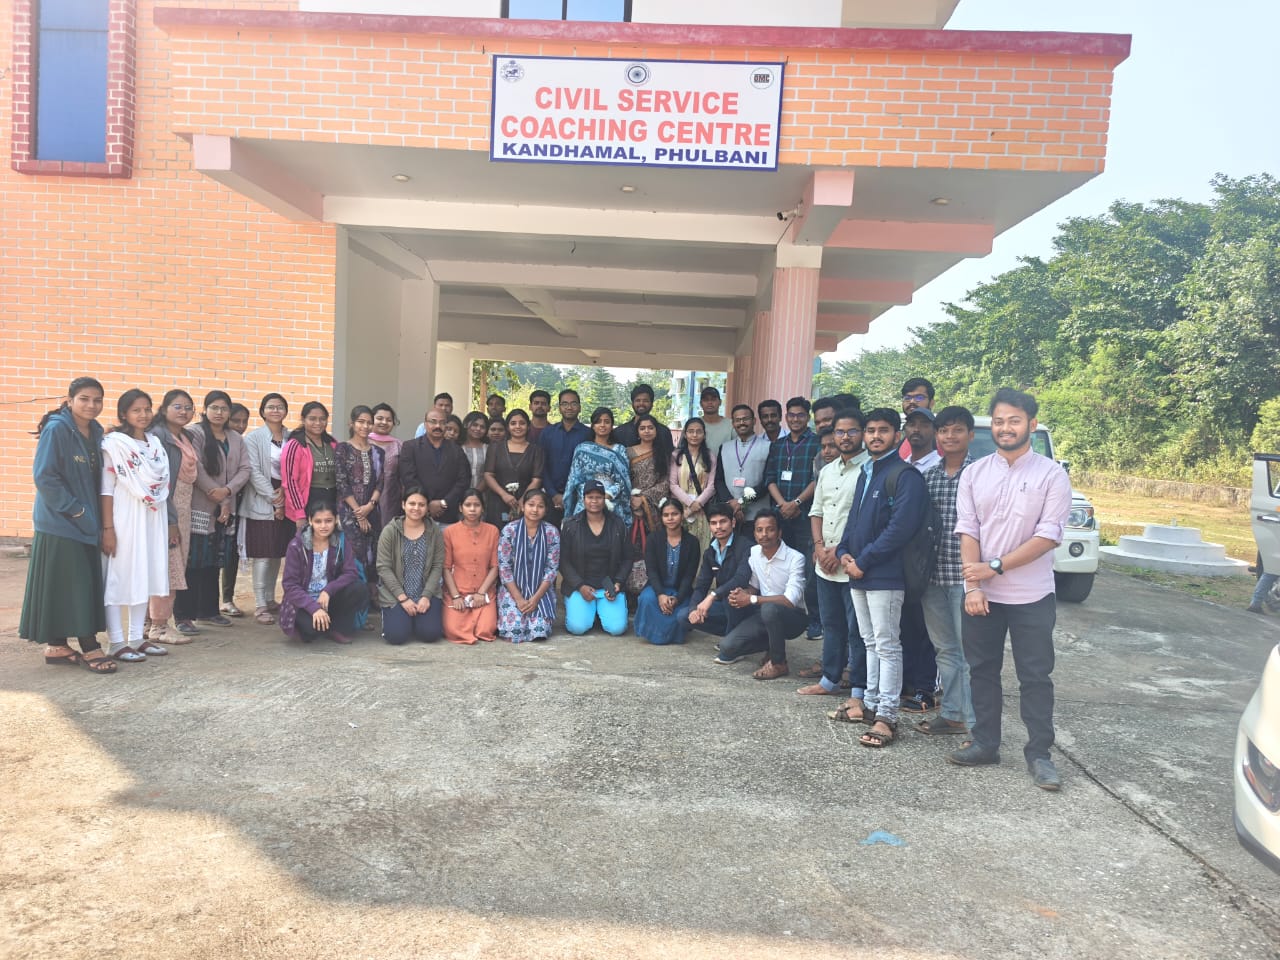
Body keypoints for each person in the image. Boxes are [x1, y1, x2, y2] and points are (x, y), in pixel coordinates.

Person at [949, 389, 1071, 791]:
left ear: (1031, 425)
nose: (1006, 428)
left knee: (1035, 676)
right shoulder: (975, 473)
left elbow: (1048, 536)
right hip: (982, 595)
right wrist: (974, 585)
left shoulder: (1052, 475)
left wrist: (996, 566)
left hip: (1032, 596)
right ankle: (986, 743)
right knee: (982, 671)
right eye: (999, 421)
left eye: (1014, 421)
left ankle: (1040, 754)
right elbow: (968, 529)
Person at [835, 407, 926, 749]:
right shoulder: (867, 472)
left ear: (897, 435)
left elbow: (900, 528)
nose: (875, 436)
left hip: (885, 575)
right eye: (870, 430)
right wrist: (844, 551)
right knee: (870, 641)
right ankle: (871, 703)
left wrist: (864, 560)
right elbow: (854, 520)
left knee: (887, 645)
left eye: (883, 430)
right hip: (858, 571)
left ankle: (887, 716)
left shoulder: (904, 476)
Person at [20, 377, 115, 674]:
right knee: (77, 584)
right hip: (60, 522)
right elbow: (45, 477)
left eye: (97, 400)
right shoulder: (57, 429)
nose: (91, 405)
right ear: (70, 400)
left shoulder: (95, 430)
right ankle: (90, 645)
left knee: (64, 585)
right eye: (84, 399)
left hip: (87, 521)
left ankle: (57, 645)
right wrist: (76, 511)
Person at [798, 410, 871, 704]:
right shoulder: (827, 470)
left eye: (852, 431)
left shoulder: (869, 469)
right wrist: (818, 548)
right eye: (840, 432)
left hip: (852, 562)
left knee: (858, 630)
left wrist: (838, 550)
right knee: (831, 625)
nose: (845, 437)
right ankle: (829, 679)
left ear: (862, 433)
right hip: (824, 564)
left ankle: (859, 689)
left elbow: (866, 520)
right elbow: (816, 511)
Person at [915, 405, 977, 736]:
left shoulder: (981, 476)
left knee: (971, 653)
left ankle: (976, 724)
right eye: (944, 430)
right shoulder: (929, 477)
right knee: (946, 649)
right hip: (933, 577)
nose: (949, 436)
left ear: (970, 435)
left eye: (957, 430)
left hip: (968, 579)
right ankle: (953, 714)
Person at [100, 389, 171, 661]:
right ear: (124, 414)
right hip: (125, 516)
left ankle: (136, 638)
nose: (143, 414)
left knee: (144, 574)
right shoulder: (114, 444)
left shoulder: (154, 444)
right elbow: (106, 489)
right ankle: (116, 642)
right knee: (119, 577)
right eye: (136, 410)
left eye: (147, 409)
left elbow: (162, 483)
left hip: (152, 515)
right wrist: (108, 528)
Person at [179, 391, 250, 630]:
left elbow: (245, 469)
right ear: (205, 409)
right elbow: (195, 466)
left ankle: (208, 611)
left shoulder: (236, 438)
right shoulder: (195, 433)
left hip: (226, 508)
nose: (219, 413)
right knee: (193, 560)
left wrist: (227, 492)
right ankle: (184, 615)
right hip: (200, 505)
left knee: (214, 560)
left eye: (224, 408)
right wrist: (215, 493)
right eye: (215, 407)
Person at [712, 513, 808, 679]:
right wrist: (742, 594)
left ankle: (778, 663)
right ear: (754, 534)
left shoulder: (796, 558)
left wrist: (751, 599)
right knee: (727, 647)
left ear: (779, 533)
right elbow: (754, 586)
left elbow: (789, 601)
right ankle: (772, 646)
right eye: (759, 530)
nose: (764, 534)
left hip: (794, 618)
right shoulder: (755, 552)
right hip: (764, 614)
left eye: (770, 530)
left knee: (769, 609)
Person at [764, 396, 822, 640]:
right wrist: (782, 505)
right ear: (786, 417)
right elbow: (770, 478)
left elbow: (819, 478)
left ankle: (814, 619)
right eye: (792, 415)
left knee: (809, 568)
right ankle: (785, 611)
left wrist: (796, 503)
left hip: (806, 515)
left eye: (800, 415)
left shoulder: (817, 443)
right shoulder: (778, 445)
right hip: (781, 515)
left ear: (807, 417)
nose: (795, 419)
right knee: (781, 563)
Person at [146, 390, 198, 644]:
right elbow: (160, 483)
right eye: (177, 406)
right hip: (167, 509)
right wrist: (171, 520)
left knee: (171, 564)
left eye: (188, 407)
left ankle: (148, 623)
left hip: (183, 508)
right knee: (168, 567)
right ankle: (159, 626)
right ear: (164, 408)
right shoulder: (159, 436)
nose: (183, 411)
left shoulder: (185, 436)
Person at [899, 405, 941, 713]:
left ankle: (926, 687)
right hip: (902, 557)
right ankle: (908, 682)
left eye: (923, 425)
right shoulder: (902, 465)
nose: (916, 430)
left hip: (929, 559)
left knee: (928, 627)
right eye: (911, 424)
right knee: (905, 624)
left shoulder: (939, 466)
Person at [280, 500, 367, 644]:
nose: (323, 526)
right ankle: (321, 622)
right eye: (318, 521)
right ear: (310, 521)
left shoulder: (340, 541)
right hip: (303, 600)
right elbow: (290, 585)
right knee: (311, 631)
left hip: (328, 598)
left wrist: (328, 590)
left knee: (358, 588)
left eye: (328, 521)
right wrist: (313, 608)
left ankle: (337, 628)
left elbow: (351, 572)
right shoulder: (296, 545)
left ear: (336, 520)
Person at [241, 393, 294, 625]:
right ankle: (260, 604)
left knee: (276, 553)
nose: (275, 410)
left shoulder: (292, 436)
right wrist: (274, 497)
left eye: (280, 407)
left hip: (287, 495)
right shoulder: (253, 438)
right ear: (262, 411)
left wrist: (286, 493)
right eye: (270, 407)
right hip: (261, 499)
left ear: (286, 411)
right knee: (262, 554)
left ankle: (271, 599)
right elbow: (253, 471)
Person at [560, 480, 630, 635]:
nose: (594, 501)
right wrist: (580, 586)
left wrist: (618, 583)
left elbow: (627, 558)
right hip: (581, 586)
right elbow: (563, 561)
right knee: (578, 628)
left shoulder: (617, 524)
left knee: (617, 629)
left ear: (604, 499)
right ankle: (587, 611)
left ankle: (599, 612)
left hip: (609, 586)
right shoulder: (571, 525)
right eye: (590, 497)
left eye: (598, 497)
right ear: (583, 499)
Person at [376, 488, 445, 644]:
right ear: (403, 505)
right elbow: (383, 568)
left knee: (430, 634)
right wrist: (403, 599)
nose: (416, 508)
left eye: (421, 504)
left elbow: (437, 565)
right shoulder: (390, 531)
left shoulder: (434, 530)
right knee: (396, 637)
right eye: (412, 503)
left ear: (427, 507)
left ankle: (415, 621)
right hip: (396, 595)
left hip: (425, 594)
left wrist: (426, 596)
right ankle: (402, 619)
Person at [337, 405, 386, 615]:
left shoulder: (378, 452)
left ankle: (371, 597)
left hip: (372, 510)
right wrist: (359, 512)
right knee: (355, 555)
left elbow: (381, 482)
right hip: (349, 512)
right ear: (352, 423)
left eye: (369, 422)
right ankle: (354, 605)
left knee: (373, 554)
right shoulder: (342, 449)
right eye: (361, 422)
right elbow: (341, 483)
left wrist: (370, 507)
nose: (365, 426)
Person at [633, 498, 701, 645]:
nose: (670, 518)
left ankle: (671, 634)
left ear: (682, 515)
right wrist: (660, 595)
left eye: (674, 514)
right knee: (647, 599)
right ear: (662, 518)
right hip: (657, 588)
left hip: (680, 590)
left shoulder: (692, 542)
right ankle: (654, 633)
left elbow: (689, 575)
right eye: (666, 515)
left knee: (682, 611)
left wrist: (678, 599)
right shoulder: (653, 539)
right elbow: (652, 571)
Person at [497, 490, 561, 643]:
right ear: (522, 506)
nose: (535, 510)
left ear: (545, 510)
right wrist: (519, 598)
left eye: (540, 506)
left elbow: (552, 569)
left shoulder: (552, 532)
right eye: (531, 505)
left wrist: (536, 598)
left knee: (539, 631)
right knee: (514, 630)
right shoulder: (509, 530)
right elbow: (504, 567)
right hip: (513, 590)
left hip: (540, 591)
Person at [686, 502, 753, 637]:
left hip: (745, 604)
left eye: (723, 522)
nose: (718, 527)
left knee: (732, 597)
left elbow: (741, 579)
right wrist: (693, 609)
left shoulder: (746, 546)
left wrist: (712, 596)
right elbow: (701, 586)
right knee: (684, 617)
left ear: (733, 522)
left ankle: (735, 639)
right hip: (723, 603)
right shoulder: (710, 552)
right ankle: (733, 635)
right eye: (713, 523)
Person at [442, 489, 500, 643]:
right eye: (468, 505)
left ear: (483, 508)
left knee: (486, 630)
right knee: (453, 630)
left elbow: (495, 566)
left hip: (484, 592)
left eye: (477, 505)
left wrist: (481, 593)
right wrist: (455, 596)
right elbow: (445, 568)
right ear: (460, 508)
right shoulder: (449, 532)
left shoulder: (492, 531)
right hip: (458, 592)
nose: (472, 509)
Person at [399, 406, 470, 525]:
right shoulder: (410, 447)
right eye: (433, 422)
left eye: (442, 422)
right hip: (418, 513)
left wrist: (444, 503)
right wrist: (426, 503)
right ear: (425, 424)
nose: (438, 426)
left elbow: (464, 480)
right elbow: (408, 478)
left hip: (448, 514)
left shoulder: (456, 450)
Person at [563, 407, 632, 529]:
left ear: (612, 426)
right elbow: (574, 480)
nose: (602, 425)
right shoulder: (582, 449)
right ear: (593, 426)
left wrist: (607, 495)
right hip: (586, 502)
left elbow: (623, 481)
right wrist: (593, 495)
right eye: (598, 422)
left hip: (612, 505)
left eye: (607, 422)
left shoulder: (620, 450)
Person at [538, 388, 591, 526]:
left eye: (573, 403)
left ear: (579, 407)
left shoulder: (589, 434)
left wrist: (571, 495)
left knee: (577, 535)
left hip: (579, 498)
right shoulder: (547, 433)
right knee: (551, 534)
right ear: (559, 408)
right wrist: (554, 494)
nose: (569, 407)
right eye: (565, 404)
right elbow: (542, 465)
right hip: (551, 497)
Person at [713, 404, 771, 532]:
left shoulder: (768, 447)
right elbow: (719, 480)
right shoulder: (725, 447)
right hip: (729, 514)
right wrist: (732, 504)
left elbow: (767, 481)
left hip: (757, 515)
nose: (742, 423)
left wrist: (742, 502)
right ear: (733, 423)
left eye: (745, 419)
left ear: (754, 421)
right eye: (737, 420)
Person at [281, 401, 338, 529]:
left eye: (322, 419)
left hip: (330, 501)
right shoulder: (295, 445)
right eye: (312, 419)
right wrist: (299, 514)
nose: (318, 423)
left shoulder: (332, 443)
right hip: (307, 502)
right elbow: (290, 482)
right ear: (303, 419)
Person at [483, 408, 544, 526]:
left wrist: (523, 500)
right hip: (498, 500)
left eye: (522, 423)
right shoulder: (495, 448)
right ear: (507, 427)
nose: (518, 426)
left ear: (528, 426)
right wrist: (504, 495)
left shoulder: (536, 451)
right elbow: (488, 474)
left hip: (525, 503)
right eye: (513, 423)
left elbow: (536, 480)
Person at [218, 402, 251, 617]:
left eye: (244, 421)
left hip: (237, 503)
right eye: (235, 421)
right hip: (213, 501)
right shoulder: (213, 441)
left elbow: (245, 470)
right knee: (212, 553)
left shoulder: (242, 444)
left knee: (232, 552)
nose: (240, 426)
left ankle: (227, 598)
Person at [668, 416, 717, 553]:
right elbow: (672, 484)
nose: (694, 435)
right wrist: (690, 504)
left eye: (698, 431)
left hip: (701, 509)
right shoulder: (676, 455)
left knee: (701, 547)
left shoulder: (710, 456)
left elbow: (712, 486)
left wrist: (698, 503)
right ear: (685, 434)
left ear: (704, 434)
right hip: (681, 510)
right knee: (680, 547)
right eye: (690, 431)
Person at [626, 413, 672, 538]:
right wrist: (632, 500)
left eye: (650, 428)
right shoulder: (627, 452)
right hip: (630, 504)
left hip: (654, 507)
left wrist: (643, 499)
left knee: (653, 542)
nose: (647, 431)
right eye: (642, 428)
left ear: (656, 431)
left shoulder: (663, 453)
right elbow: (622, 478)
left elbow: (665, 482)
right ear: (637, 432)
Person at [369, 402, 402, 527]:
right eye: (379, 418)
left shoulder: (399, 445)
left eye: (388, 420)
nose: (384, 422)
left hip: (390, 500)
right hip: (364, 500)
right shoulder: (362, 442)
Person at [613, 382, 674, 449]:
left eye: (645, 401)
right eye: (638, 400)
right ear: (632, 403)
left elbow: (669, 454)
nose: (641, 403)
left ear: (652, 404)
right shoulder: (619, 432)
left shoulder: (663, 432)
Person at [899, 377, 935, 459]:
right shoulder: (900, 436)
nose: (912, 401)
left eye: (919, 398)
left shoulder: (941, 435)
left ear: (931, 403)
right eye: (907, 398)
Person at [699, 385, 733, 455]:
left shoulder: (731, 425)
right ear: (701, 404)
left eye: (713, 399)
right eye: (706, 400)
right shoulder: (693, 425)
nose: (710, 402)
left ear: (720, 402)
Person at [460, 411, 489, 489]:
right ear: (466, 424)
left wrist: (476, 492)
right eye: (475, 425)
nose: (478, 429)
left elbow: (489, 474)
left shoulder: (488, 449)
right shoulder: (458, 447)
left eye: (482, 427)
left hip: (482, 493)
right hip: (459, 493)